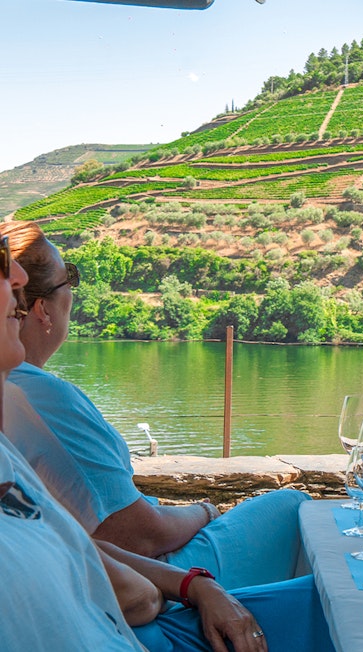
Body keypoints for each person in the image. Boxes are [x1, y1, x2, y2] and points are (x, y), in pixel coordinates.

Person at [0, 238, 333, 652]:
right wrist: (206, 511)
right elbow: (136, 546)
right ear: (42, 309)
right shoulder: (44, 397)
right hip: (146, 602)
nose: (17, 278)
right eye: (71, 279)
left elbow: (78, 542)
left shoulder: (7, 461)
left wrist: (193, 586)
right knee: (294, 515)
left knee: (331, 594)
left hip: (148, 592)